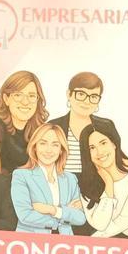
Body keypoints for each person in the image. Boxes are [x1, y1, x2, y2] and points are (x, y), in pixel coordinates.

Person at [48, 71, 117, 234]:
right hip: (58, 201)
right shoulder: (53, 126)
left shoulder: (106, 127)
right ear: (69, 95)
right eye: (81, 94)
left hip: (96, 201)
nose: (87, 101)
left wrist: (87, 200)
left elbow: (113, 166)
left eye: (93, 96)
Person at [10, 123, 87, 234]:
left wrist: (53, 210)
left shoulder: (70, 179)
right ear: (35, 146)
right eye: (43, 143)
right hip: (30, 244)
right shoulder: (21, 176)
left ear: (61, 149)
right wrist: (65, 215)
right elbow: (25, 215)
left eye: (55, 144)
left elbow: (80, 218)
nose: (48, 150)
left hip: (64, 244)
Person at [0, 70, 50, 173]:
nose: (25, 102)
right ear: (6, 99)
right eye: (18, 95)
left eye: (31, 96)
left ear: (38, 100)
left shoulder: (41, 130)